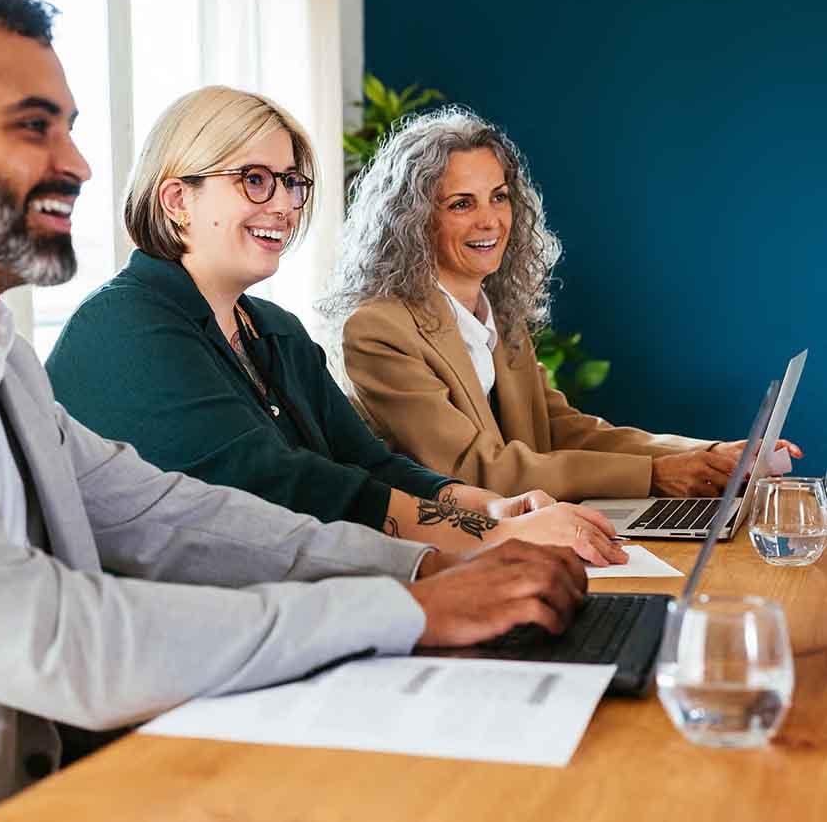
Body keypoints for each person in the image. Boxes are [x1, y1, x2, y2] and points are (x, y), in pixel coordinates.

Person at [0, 0, 590, 822]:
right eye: (33, 128)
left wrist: (436, 562)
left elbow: (170, 517)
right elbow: (62, 642)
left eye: (72, 130)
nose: (79, 165)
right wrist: (409, 605)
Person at [45, 86, 623, 564]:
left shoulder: (274, 329)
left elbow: (369, 463)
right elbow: (282, 488)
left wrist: (487, 507)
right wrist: (494, 537)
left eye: (292, 182)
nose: (284, 205)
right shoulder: (124, 327)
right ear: (176, 199)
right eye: (254, 179)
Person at [324, 108, 801, 502]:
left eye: (499, 197)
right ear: (413, 221)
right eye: (461, 204)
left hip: (536, 528)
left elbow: (560, 429)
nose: (490, 221)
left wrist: (711, 454)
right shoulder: (378, 330)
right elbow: (474, 470)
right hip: (450, 557)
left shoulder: (496, 312)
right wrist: (656, 477)